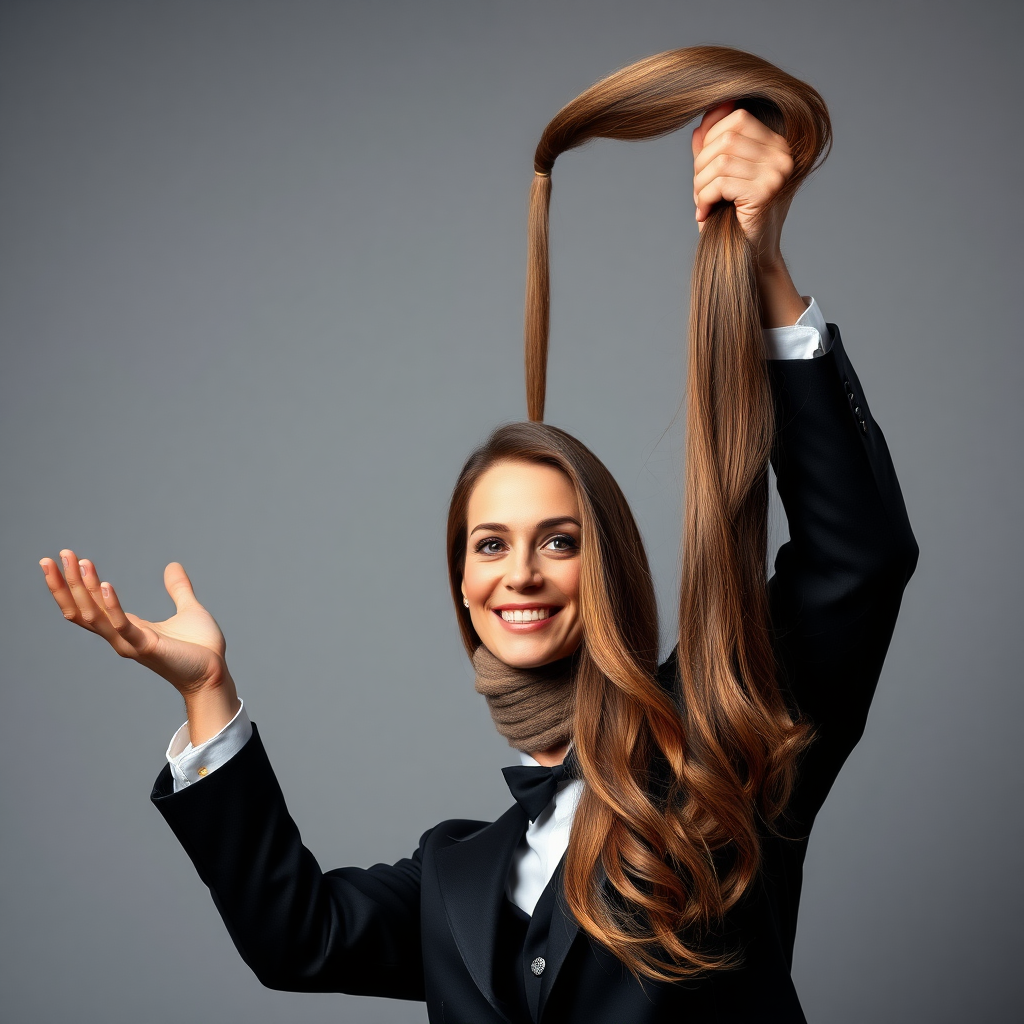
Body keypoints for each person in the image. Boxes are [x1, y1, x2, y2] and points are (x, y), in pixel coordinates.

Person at [39, 47, 918, 1024]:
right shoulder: (456, 871)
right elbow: (301, 936)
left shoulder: (726, 736)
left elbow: (859, 556)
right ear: (460, 586)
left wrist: (763, 269)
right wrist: (207, 690)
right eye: (489, 545)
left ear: (612, 566)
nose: (522, 574)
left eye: (559, 539)